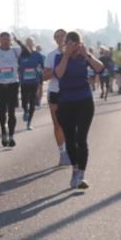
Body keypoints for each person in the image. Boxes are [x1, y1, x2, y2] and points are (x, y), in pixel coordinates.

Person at [53, 30, 104, 190]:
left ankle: (81, 174)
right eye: (70, 44)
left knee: (81, 138)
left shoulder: (84, 57)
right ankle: (75, 169)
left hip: (84, 101)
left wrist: (87, 55)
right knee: (70, 139)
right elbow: (59, 74)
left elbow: (100, 69)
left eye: (76, 44)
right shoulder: (59, 57)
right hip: (66, 102)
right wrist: (67, 55)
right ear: (65, 44)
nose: (73, 47)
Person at [41, 29, 70, 165]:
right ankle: (63, 153)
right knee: (58, 124)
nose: (60, 38)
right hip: (55, 92)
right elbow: (44, 76)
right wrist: (58, 70)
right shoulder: (51, 56)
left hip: (72, 92)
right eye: (57, 36)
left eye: (63, 36)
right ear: (55, 39)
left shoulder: (75, 54)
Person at [0, 32, 20, 147]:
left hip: (12, 85)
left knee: (12, 112)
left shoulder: (15, 51)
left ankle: (11, 136)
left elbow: (27, 52)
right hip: (0, 85)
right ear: (0, 40)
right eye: (3, 39)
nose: (5, 41)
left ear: (10, 40)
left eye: (7, 39)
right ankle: (4, 132)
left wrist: (18, 41)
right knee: (2, 112)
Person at [18, 40, 44, 131]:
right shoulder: (21, 55)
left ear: (34, 44)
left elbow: (43, 66)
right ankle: (25, 111)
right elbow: (17, 66)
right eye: (27, 42)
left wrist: (40, 72)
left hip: (34, 81)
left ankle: (29, 123)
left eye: (31, 42)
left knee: (32, 102)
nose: (29, 44)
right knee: (24, 100)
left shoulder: (37, 55)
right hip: (24, 81)